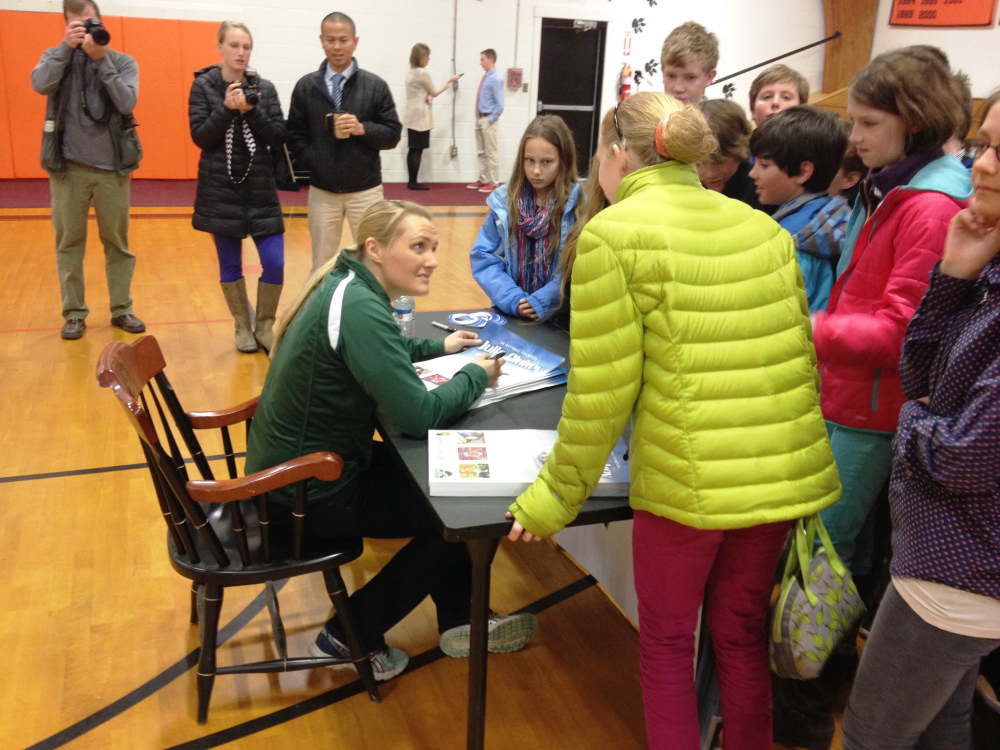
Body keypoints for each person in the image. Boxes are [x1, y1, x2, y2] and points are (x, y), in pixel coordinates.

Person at [506, 92, 841, 750]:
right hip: (776, 481)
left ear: (618, 155)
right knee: (741, 638)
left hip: (688, 488)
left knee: (665, 645)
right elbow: (800, 364)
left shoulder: (613, 234)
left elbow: (600, 397)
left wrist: (550, 501)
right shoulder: (766, 230)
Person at [244, 200, 538, 681]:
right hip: (305, 492)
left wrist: (435, 347)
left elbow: (382, 346)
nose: (432, 259)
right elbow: (417, 415)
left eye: (434, 247)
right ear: (376, 249)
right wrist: (472, 375)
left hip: (305, 470)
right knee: (464, 514)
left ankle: (460, 618)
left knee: (449, 490)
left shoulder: (347, 281)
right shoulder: (360, 304)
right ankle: (350, 632)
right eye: (418, 246)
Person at [772, 47, 972, 750]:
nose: (852, 137)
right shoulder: (897, 190)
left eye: (867, 122)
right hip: (853, 400)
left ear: (911, 122)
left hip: (870, 413)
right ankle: (809, 699)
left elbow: (900, 329)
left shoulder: (927, 205)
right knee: (835, 558)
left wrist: (808, 328)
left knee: (820, 562)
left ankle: (800, 714)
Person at [840, 88, 1000, 750]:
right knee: (941, 726)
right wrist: (955, 276)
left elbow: (961, 454)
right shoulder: (987, 273)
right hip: (943, 560)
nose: (983, 165)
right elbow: (922, 377)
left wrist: (913, 422)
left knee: (872, 736)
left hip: (960, 573)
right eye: (985, 144)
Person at [32, 0, 144, 340]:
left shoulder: (122, 61)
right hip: (68, 168)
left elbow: (127, 102)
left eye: (91, 22)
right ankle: (74, 313)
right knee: (69, 243)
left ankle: (122, 309)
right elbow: (40, 83)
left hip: (113, 168)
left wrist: (102, 61)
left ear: (101, 20)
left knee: (118, 244)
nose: (86, 30)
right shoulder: (57, 58)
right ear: (66, 25)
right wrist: (65, 49)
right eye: (77, 25)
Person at [189, 21, 287, 354]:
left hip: (261, 189)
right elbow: (200, 136)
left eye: (246, 46)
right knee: (229, 264)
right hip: (221, 191)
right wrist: (226, 109)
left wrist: (251, 110)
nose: (241, 52)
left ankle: (264, 325)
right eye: (234, 45)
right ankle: (242, 327)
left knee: (274, 261)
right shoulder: (203, 86)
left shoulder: (266, 88)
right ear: (220, 47)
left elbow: (278, 136)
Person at [287, 11, 402, 273]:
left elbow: (392, 134)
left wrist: (364, 129)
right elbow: (294, 135)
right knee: (321, 264)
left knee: (374, 262)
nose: (337, 47)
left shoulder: (375, 86)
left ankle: (371, 313)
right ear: (321, 40)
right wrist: (315, 161)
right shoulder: (306, 87)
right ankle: (322, 314)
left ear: (355, 41)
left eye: (343, 40)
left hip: (366, 191)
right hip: (322, 192)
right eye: (330, 40)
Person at [469, 115, 581, 320]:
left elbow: (577, 266)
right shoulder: (504, 201)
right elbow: (484, 257)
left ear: (563, 161)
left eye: (547, 162)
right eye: (530, 161)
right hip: (513, 311)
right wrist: (513, 299)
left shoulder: (578, 206)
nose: (536, 170)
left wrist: (544, 300)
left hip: (561, 317)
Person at [749, 105, 848, 312]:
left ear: (803, 172)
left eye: (764, 165)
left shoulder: (790, 241)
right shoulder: (838, 214)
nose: (753, 173)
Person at [403, 43, 460, 191]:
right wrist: (449, 81)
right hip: (421, 116)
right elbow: (434, 91)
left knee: (413, 148)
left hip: (411, 114)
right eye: (426, 56)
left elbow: (423, 91)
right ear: (420, 57)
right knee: (418, 149)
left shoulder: (411, 71)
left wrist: (427, 94)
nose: (429, 59)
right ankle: (413, 182)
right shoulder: (423, 72)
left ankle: (412, 181)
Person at [697, 99, 765, 210]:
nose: (710, 173)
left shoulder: (761, 185)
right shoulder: (686, 186)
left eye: (719, 162)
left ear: (739, 151)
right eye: (699, 163)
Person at [467, 48, 503, 193]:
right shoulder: (487, 77)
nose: (480, 63)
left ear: (490, 59)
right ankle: (483, 179)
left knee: (491, 152)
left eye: (482, 59)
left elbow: (500, 105)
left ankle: (493, 182)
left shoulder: (496, 79)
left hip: (488, 119)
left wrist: (491, 119)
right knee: (481, 152)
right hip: (480, 117)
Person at [659, 21, 718, 105]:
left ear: (709, 77)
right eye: (671, 76)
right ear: (662, 72)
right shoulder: (645, 117)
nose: (678, 88)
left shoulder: (719, 117)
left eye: (690, 78)